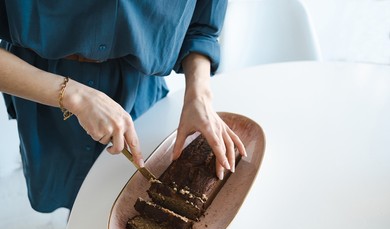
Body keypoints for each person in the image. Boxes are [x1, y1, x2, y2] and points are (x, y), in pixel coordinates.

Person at [0, 0, 246, 213]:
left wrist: (198, 95)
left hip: (141, 92)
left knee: (124, 199)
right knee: (73, 200)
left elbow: (202, 27)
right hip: (43, 91)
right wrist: (72, 95)